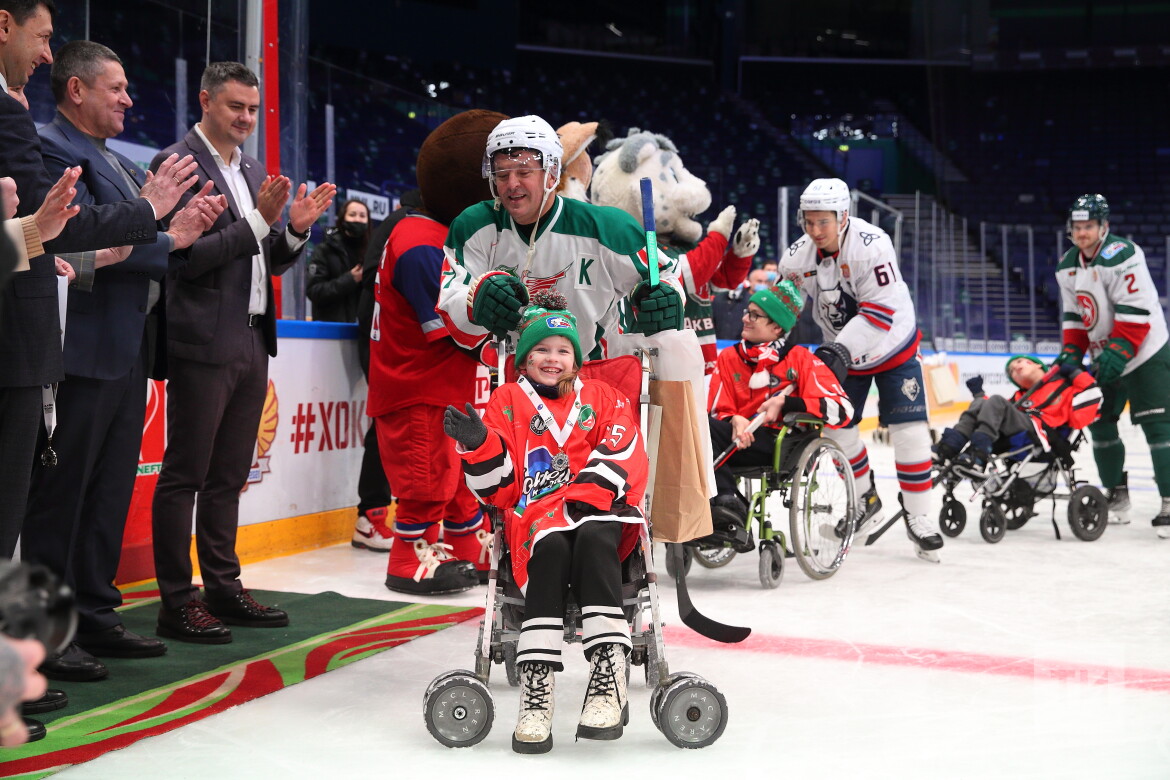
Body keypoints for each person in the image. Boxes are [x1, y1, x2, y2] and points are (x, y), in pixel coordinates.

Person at [21, 41, 225, 678]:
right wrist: (165, 233)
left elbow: (138, 236)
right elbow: (75, 241)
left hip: (124, 346)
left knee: (107, 492)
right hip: (77, 350)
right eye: (116, 88)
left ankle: (94, 613)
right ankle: (49, 632)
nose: (129, 100)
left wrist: (175, 234)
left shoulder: (115, 160)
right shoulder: (50, 149)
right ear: (76, 89)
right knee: (63, 496)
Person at [149, 62, 335, 643]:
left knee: (229, 474)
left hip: (253, 338)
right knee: (185, 473)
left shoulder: (252, 170)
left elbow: (265, 255)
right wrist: (258, 222)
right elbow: (184, 257)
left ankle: (223, 587)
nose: (247, 118)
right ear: (205, 100)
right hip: (202, 339)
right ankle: (176, 600)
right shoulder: (175, 164)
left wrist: (293, 231)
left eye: (253, 109)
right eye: (236, 106)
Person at [443, 290, 648, 753]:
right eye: (541, 349)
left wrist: (585, 497)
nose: (552, 359)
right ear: (523, 358)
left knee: (594, 535)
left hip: (598, 508)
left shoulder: (604, 397)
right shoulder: (507, 400)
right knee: (552, 546)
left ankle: (608, 674)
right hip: (536, 523)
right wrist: (479, 445)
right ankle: (537, 688)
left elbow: (626, 448)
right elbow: (501, 491)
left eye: (562, 350)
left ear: (577, 359)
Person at [368, 110, 505, 590]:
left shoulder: (439, 236)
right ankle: (410, 559)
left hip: (446, 387)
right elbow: (454, 330)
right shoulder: (420, 243)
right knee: (425, 480)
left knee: (460, 479)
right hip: (418, 387)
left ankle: (465, 545)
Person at [436, 114, 686, 365]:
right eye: (502, 175)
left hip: (594, 376)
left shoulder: (608, 228)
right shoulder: (475, 225)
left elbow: (665, 275)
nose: (511, 184)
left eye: (524, 172)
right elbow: (453, 313)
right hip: (515, 379)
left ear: (552, 173)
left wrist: (664, 297)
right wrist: (475, 301)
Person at [778, 178, 942, 558]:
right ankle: (865, 501)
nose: (815, 230)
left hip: (891, 346)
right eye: (809, 221)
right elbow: (783, 309)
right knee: (838, 429)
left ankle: (919, 516)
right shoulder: (796, 258)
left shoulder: (873, 246)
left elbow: (879, 315)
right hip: (844, 349)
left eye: (824, 221)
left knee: (910, 433)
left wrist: (837, 351)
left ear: (843, 216)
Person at [1053, 194, 1170, 536]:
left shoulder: (1123, 254)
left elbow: (1136, 311)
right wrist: (1072, 353)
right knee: (1099, 422)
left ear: (1103, 227)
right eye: (1077, 227)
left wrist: (1116, 353)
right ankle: (1117, 495)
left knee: (1158, 428)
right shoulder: (1067, 265)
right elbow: (1075, 316)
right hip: (1105, 354)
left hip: (1146, 352)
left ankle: (1169, 500)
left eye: (1088, 226)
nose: (1082, 233)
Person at [707, 279, 854, 506]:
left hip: (779, 445)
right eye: (747, 312)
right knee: (696, 426)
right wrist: (733, 419)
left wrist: (787, 403)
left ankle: (727, 500)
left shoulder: (799, 358)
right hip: (736, 439)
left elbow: (843, 410)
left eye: (755, 315)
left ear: (776, 327)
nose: (745, 318)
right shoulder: (729, 357)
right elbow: (718, 408)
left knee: (703, 430)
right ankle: (724, 504)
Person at [933, 355, 1102, 472]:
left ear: (1038, 365)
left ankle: (978, 455)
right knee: (980, 403)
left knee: (996, 401)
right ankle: (947, 449)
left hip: (1042, 434)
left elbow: (1092, 396)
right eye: (1012, 371)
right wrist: (979, 394)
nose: (1015, 367)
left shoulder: (1063, 386)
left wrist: (1075, 373)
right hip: (1016, 432)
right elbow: (991, 411)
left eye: (1020, 361)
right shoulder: (1019, 397)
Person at [306, 198, 368, 322]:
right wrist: (350, 279)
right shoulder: (325, 250)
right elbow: (314, 291)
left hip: (363, 329)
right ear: (342, 218)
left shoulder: (372, 252)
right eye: (352, 215)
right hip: (331, 328)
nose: (357, 219)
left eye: (362, 216)